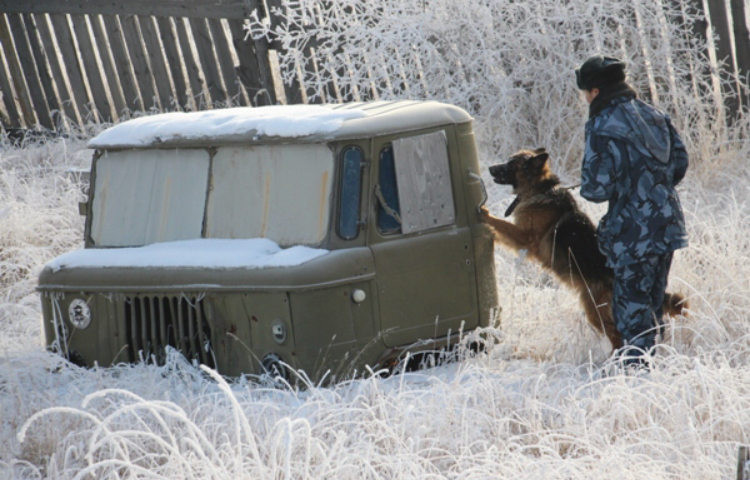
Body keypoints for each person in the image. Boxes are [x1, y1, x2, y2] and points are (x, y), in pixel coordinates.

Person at [575, 55, 689, 366]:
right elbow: (679, 164)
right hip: (668, 225)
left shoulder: (601, 124)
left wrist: (628, 191)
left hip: (633, 233)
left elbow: (595, 188)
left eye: (586, 92)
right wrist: (652, 187)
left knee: (631, 316)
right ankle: (656, 379)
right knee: (652, 306)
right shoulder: (654, 115)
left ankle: (639, 387)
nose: (586, 98)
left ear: (595, 91)